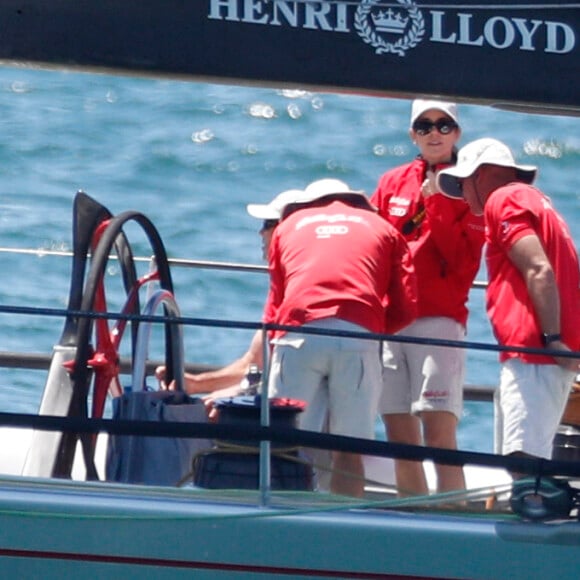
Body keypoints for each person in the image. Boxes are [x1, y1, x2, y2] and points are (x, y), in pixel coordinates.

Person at [265, 178, 418, 497]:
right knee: (349, 451)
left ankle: (283, 521)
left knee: (288, 446)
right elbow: (407, 307)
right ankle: (343, 525)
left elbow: (275, 309)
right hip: (357, 338)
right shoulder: (382, 226)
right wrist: (368, 329)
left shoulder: (288, 225)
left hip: (298, 335)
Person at [437, 137, 580, 469]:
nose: (461, 192)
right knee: (525, 458)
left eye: (462, 182)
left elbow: (538, 268)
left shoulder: (503, 198)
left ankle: (529, 515)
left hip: (533, 351)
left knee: (523, 463)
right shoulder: (539, 203)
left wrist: (550, 340)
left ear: (481, 174)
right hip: (543, 351)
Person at [370, 100, 485, 496]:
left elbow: (462, 261)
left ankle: (453, 518)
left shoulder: (471, 186)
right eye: (424, 126)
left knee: (440, 436)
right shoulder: (392, 181)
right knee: (399, 435)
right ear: (412, 134)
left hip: (439, 318)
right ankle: (411, 515)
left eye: (443, 125)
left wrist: (437, 200)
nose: (434, 133)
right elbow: (373, 244)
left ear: (457, 132)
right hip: (391, 320)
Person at [155, 188, 303, 400]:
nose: (261, 233)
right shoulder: (281, 288)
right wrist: (195, 384)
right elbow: (251, 364)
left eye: (268, 224)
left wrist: (211, 398)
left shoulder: (295, 292)